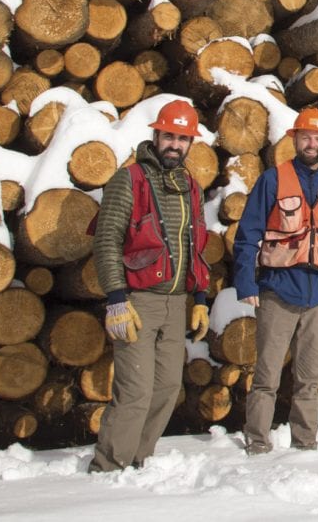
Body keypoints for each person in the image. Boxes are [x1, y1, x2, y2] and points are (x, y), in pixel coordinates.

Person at [88, 98, 210, 473]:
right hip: (137, 300)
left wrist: (201, 297)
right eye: (169, 136)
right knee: (135, 391)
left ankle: (139, 459)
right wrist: (116, 299)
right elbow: (106, 240)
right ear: (156, 135)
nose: (175, 144)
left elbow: (196, 243)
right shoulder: (128, 180)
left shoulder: (191, 185)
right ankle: (109, 466)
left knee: (168, 387)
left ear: (190, 144)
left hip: (176, 304)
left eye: (182, 138)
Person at [233, 106, 318, 455]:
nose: (312, 143)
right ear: (294, 139)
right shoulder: (272, 179)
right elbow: (247, 235)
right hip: (278, 289)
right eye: (306, 136)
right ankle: (258, 442)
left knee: (309, 378)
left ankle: (305, 443)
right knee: (267, 377)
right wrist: (246, 283)